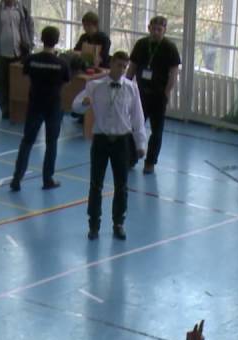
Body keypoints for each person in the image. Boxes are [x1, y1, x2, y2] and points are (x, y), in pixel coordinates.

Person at [72, 51, 147, 241]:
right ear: (111, 64)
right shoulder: (94, 86)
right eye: (118, 65)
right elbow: (75, 106)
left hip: (122, 140)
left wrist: (140, 144)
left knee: (121, 185)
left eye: (124, 67)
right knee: (96, 184)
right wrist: (84, 103)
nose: (121, 69)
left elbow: (137, 118)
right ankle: (94, 224)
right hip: (101, 139)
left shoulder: (132, 88)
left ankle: (118, 223)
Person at [10, 26, 71, 192]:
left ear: (42, 39)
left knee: (27, 141)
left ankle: (17, 178)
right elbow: (66, 82)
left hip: (35, 104)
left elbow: (25, 74)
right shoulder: (61, 64)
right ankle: (47, 179)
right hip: (53, 106)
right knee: (51, 143)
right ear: (57, 41)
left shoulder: (31, 60)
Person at [127, 17, 181, 174]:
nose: (156, 32)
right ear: (149, 28)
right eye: (154, 29)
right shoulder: (141, 44)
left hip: (158, 95)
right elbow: (132, 66)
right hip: (140, 94)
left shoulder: (170, 47)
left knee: (156, 131)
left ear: (164, 30)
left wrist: (166, 92)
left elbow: (173, 73)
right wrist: (126, 85)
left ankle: (150, 161)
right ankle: (131, 157)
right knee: (135, 126)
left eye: (160, 29)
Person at [0, 0, 35, 121]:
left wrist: (29, 42)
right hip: (1, 54)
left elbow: (30, 24)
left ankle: (20, 109)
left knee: (19, 82)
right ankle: (6, 110)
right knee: (2, 83)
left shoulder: (21, 9)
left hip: (19, 53)